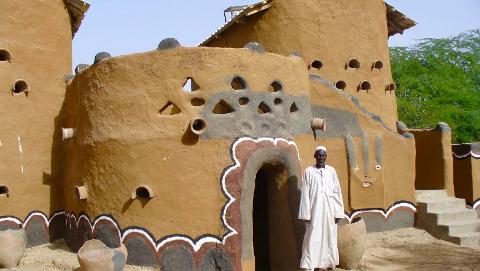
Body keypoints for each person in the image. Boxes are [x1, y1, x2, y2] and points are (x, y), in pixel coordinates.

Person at [298, 146, 345, 271]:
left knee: (329, 236)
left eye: (323, 155)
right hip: (314, 212)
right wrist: (305, 214)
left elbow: (337, 192)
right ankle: (310, 264)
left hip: (329, 212)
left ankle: (325, 264)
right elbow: (305, 194)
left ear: (326, 156)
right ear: (314, 156)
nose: (321, 157)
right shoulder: (309, 171)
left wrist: (338, 212)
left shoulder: (331, 171)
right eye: (318, 155)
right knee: (313, 236)